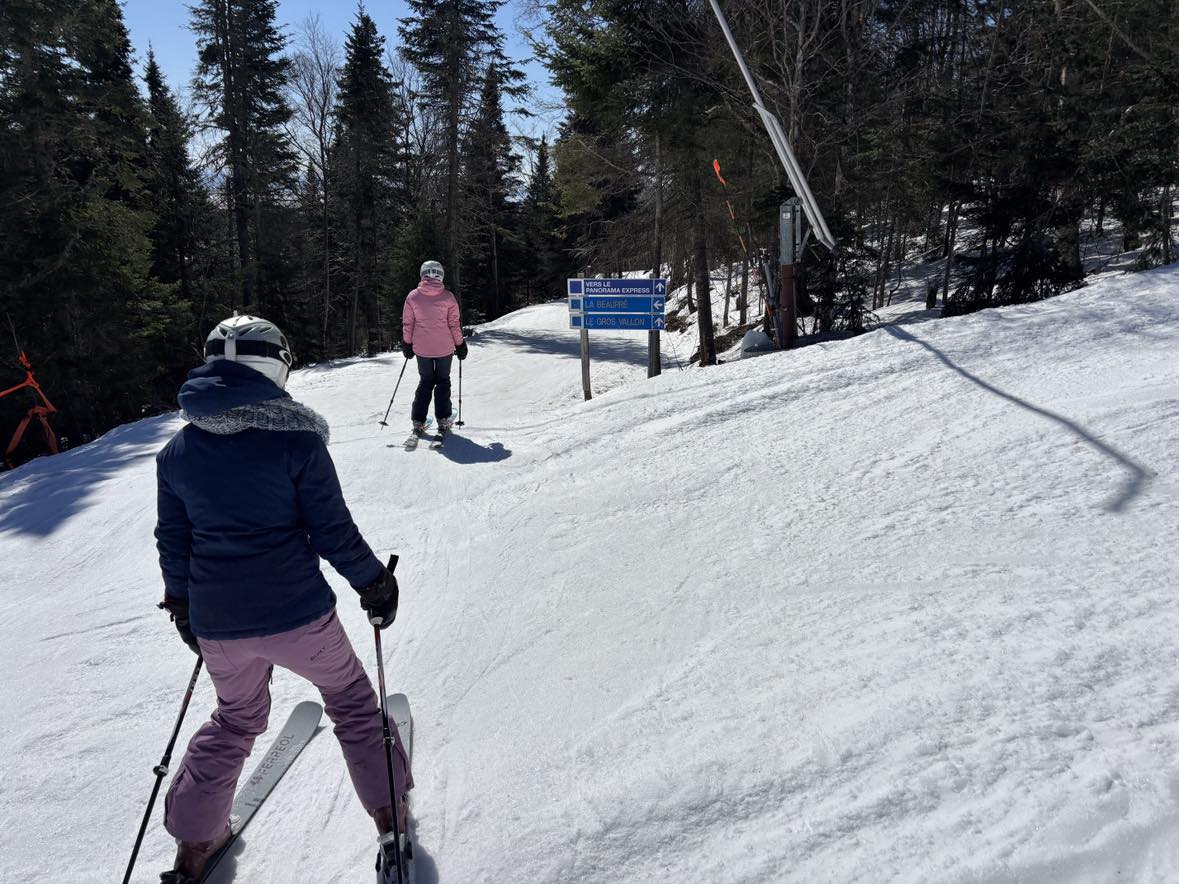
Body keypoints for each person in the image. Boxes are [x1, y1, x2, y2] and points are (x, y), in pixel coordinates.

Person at [154, 314, 412, 883]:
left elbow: (174, 540)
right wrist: (374, 581)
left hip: (219, 624)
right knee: (349, 700)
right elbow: (332, 530)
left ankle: (195, 847)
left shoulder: (177, 453)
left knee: (236, 719)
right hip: (299, 614)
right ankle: (390, 816)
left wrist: (184, 607)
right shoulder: (296, 441)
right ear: (275, 366)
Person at [401, 260, 467, 436]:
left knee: (426, 381)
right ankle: (443, 418)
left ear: (423, 274)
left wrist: (407, 343)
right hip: (444, 348)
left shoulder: (413, 297)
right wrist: (460, 344)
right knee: (443, 381)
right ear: (441, 275)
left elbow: (408, 323)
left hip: (422, 349)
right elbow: (454, 324)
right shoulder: (448, 297)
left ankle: (419, 421)